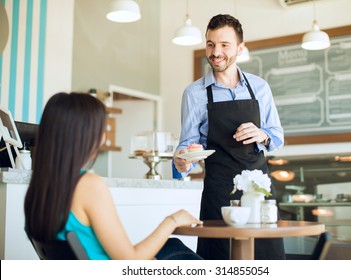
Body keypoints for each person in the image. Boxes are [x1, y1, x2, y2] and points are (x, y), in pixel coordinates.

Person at [24, 92, 203, 260]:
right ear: (82, 136)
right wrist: (172, 221)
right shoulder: (88, 185)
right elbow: (129, 260)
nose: (103, 138)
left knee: (172, 246)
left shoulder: (39, 189)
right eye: (101, 129)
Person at [173, 14, 285, 260]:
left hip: (258, 192)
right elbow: (186, 146)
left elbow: (277, 136)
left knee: (267, 261)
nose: (216, 52)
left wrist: (261, 134)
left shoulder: (260, 88)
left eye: (224, 45)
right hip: (218, 193)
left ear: (240, 48)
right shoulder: (194, 93)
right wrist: (181, 160)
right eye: (211, 44)